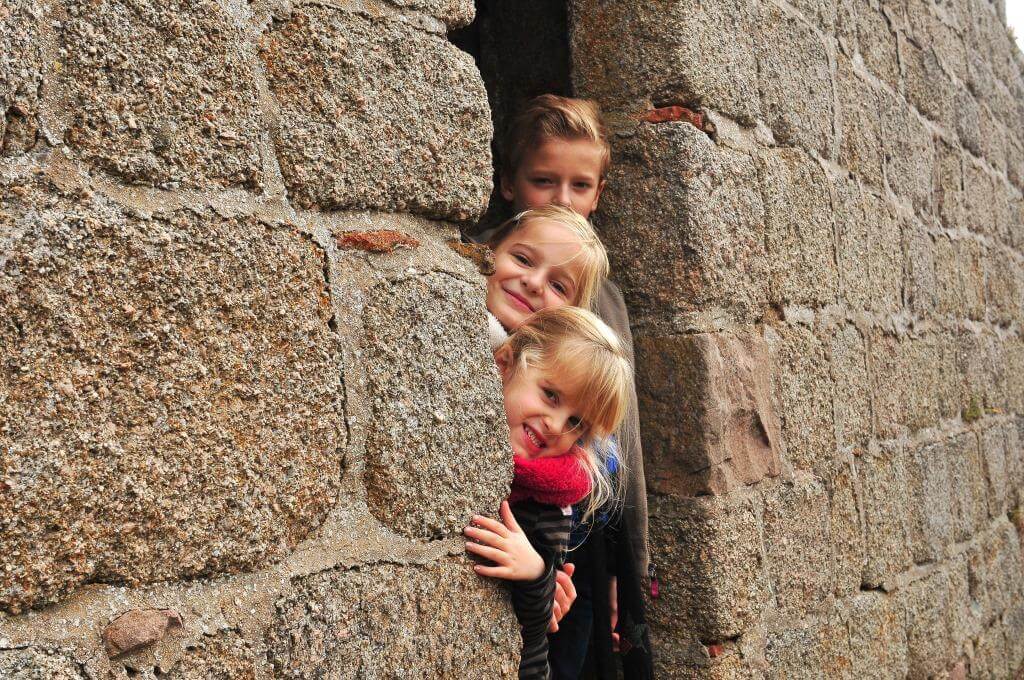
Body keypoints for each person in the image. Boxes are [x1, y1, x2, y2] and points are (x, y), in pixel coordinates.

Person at [465, 94, 652, 679]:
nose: (563, 199)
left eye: (580, 185)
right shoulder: (485, 276)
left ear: (599, 193)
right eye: (545, 181)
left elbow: (623, 438)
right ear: (509, 183)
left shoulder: (600, 297)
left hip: (575, 521)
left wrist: (630, 562)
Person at [465, 307, 632, 680]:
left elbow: (545, 618)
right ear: (505, 363)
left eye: (576, 423)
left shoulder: (551, 499)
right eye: (551, 395)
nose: (556, 426)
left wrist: (535, 571)